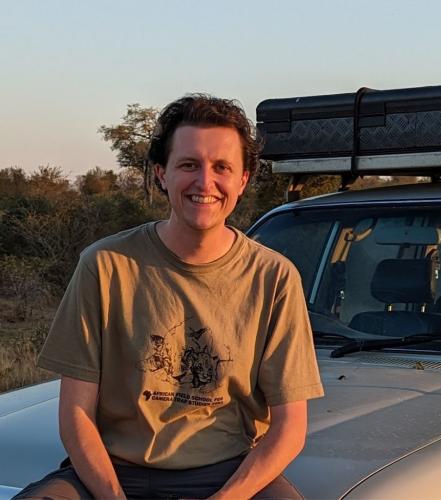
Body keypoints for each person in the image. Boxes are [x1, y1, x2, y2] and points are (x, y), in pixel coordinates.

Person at [15, 95, 324, 499]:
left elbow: (289, 429)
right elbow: (75, 413)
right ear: (162, 173)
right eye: (189, 165)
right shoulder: (105, 265)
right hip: (112, 472)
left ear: (243, 179)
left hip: (226, 476)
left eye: (222, 168)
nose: (205, 183)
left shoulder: (273, 278)